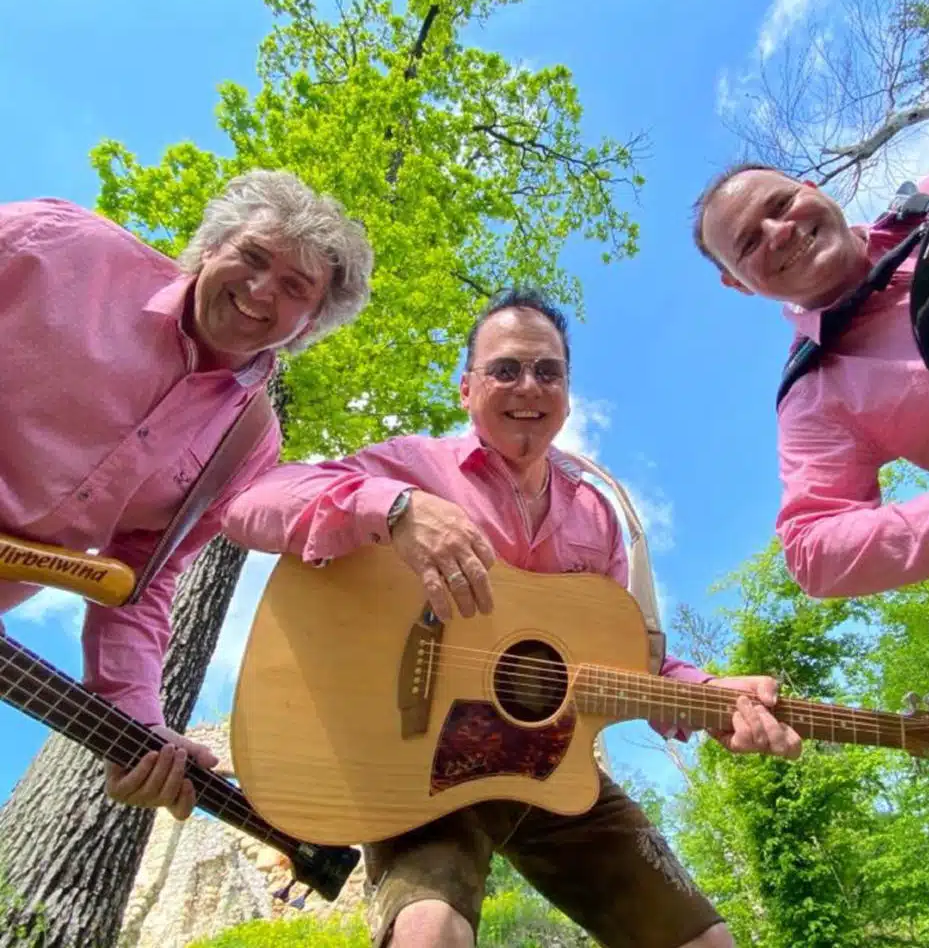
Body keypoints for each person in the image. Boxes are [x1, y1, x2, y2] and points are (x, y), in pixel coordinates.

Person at [222, 288, 802, 948]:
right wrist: (395, 509)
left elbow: (625, 660)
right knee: (429, 934)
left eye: (547, 371)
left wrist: (708, 696)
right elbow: (252, 502)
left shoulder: (598, 517)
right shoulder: (413, 466)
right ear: (467, 388)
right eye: (505, 369)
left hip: (552, 771)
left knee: (707, 943)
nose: (528, 385)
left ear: (567, 395)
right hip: (417, 767)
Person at [0, 169, 373, 818]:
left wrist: (133, 721)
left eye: (295, 287)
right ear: (211, 247)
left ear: (309, 322)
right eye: (251, 256)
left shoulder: (247, 444)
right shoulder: (57, 244)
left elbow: (142, 580)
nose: (261, 289)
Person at [692, 160, 929, 599]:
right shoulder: (814, 395)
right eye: (750, 242)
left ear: (813, 189)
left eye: (782, 203)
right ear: (737, 283)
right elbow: (814, 555)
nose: (780, 231)